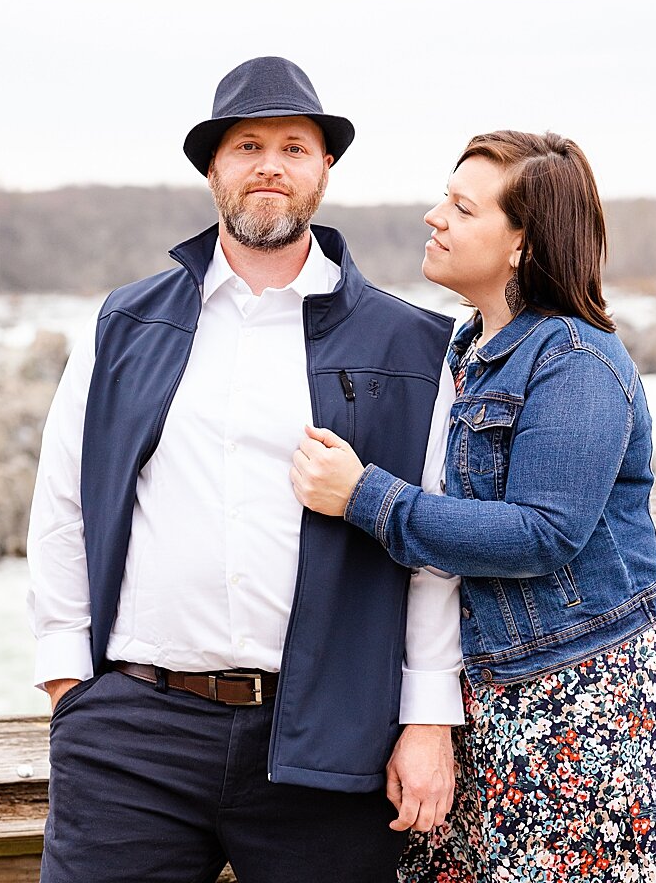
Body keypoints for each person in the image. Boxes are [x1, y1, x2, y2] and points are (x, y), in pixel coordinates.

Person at [26, 56, 464, 882]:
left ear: (324, 169)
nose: (271, 165)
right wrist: (66, 686)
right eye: (248, 146)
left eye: (295, 147)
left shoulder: (411, 344)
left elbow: (430, 544)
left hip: (333, 738)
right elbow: (61, 506)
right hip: (134, 732)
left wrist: (429, 717)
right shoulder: (126, 323)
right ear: (212, 169)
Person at [290, 129, 656, 883]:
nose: (435, 217)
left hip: (575, 699)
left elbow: (542, 533)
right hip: (483, 691)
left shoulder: (576, 359)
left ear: (523, 244)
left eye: (462, 208)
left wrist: (365, 496)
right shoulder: (467, 346)